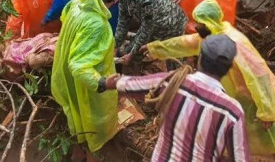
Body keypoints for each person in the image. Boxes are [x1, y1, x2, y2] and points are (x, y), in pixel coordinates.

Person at [141, 0, 275, 161]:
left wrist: (267, 111)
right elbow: (183, 44)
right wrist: (154, 48)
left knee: (273, 143)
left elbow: (259, 77)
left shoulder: (235, 42)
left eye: (199, 23)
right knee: (239, 141)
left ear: (209, 22)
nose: (196, 27)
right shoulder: (210, 38)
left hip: (261, 97)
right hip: (242, 97)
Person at [104, 35, 251, 162]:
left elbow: (133, 85)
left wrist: (108, 82)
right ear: (228, 68)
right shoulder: (232, 112)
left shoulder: (173, 82)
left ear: (199, 58)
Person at [51, 0, 121, 162]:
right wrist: (103, 82)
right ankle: (91, 154)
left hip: (63, 73)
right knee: (92, 122)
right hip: (85, 83)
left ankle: (77, 151)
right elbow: (79, 66)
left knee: (75, 114)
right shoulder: (98, 24)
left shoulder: (76, 4)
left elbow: (64, 22)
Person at [108, 0, 187, 66]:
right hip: (154, 24)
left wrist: (131, 54)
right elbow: (122, 23)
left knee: (174, 63)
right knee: (130, 51)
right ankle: (134, 75)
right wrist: (114, 46)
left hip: (173, 24)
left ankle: (179, 79)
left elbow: (146, 30)